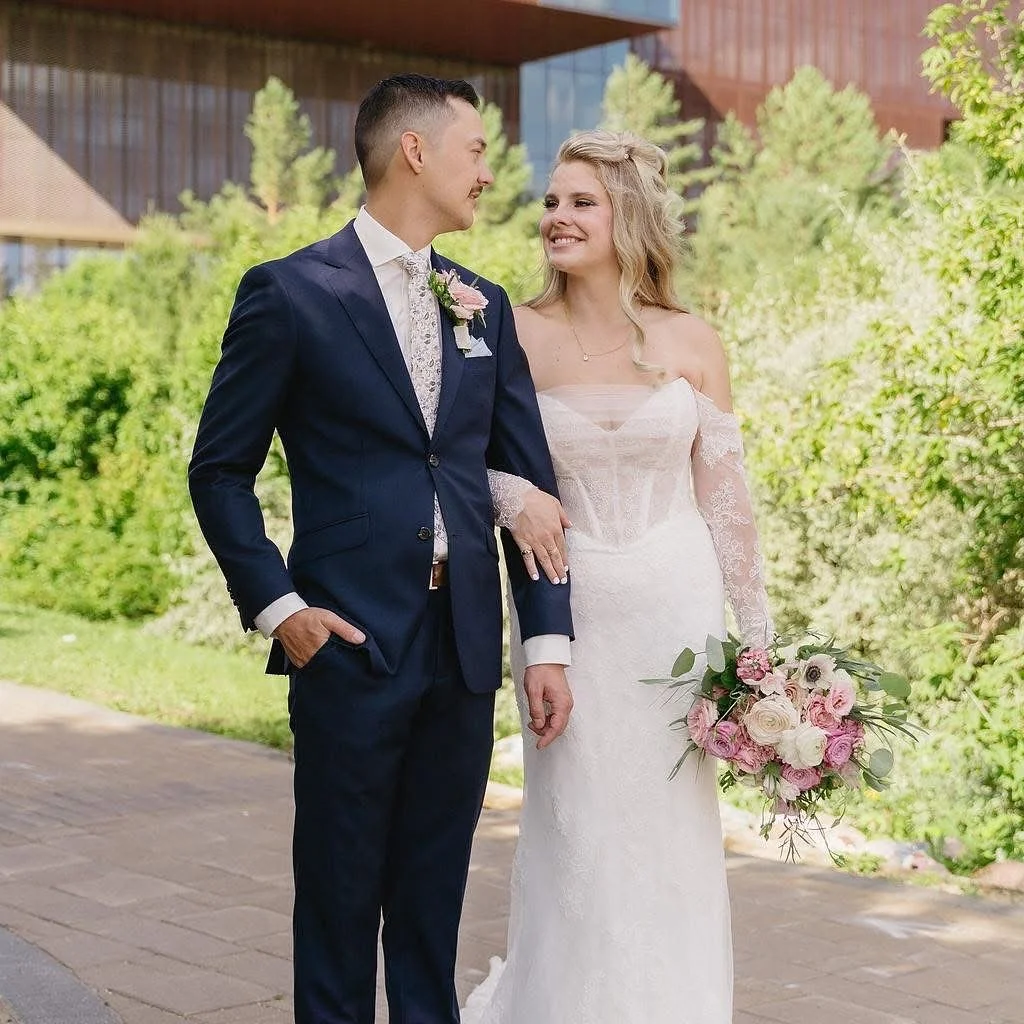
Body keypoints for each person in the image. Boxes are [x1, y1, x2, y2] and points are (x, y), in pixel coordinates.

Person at [187, 74, 575, 1024]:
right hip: (348, 641)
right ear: (415, 151)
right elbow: (219, 469)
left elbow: (525, 485)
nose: (490, 172)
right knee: (337, 898)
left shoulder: (481, 302)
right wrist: (283, 610)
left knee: (432, 906)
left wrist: (547, 644)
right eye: (477, 150)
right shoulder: (288, 293)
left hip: (460, 645)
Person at [462, 130, 774, 1023]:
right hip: (571, 611)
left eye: (580, 202)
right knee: (583, 830)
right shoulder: (509, 332)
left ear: (627, 215)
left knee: (674, 832)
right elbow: (458, 463)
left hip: (679, 615)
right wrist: (508, 494)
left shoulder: (692, 340)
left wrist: (760, 656)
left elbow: (729, 507)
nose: (556, 217)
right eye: (550, 202)